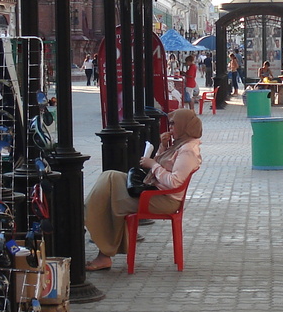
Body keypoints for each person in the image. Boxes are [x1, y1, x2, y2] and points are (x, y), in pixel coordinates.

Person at [84, 108, 202, 271]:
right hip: (154, 190)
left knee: (112, 202)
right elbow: (161, 166)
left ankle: (102, 251)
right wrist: (163, 147)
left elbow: (173, 182)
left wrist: (152, 164)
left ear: (184, 126)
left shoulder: (188, 150)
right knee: (109, 176)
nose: (171, 129)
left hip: (164, 200)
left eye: (174, 125)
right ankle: (87, 211)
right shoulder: (179, 145)